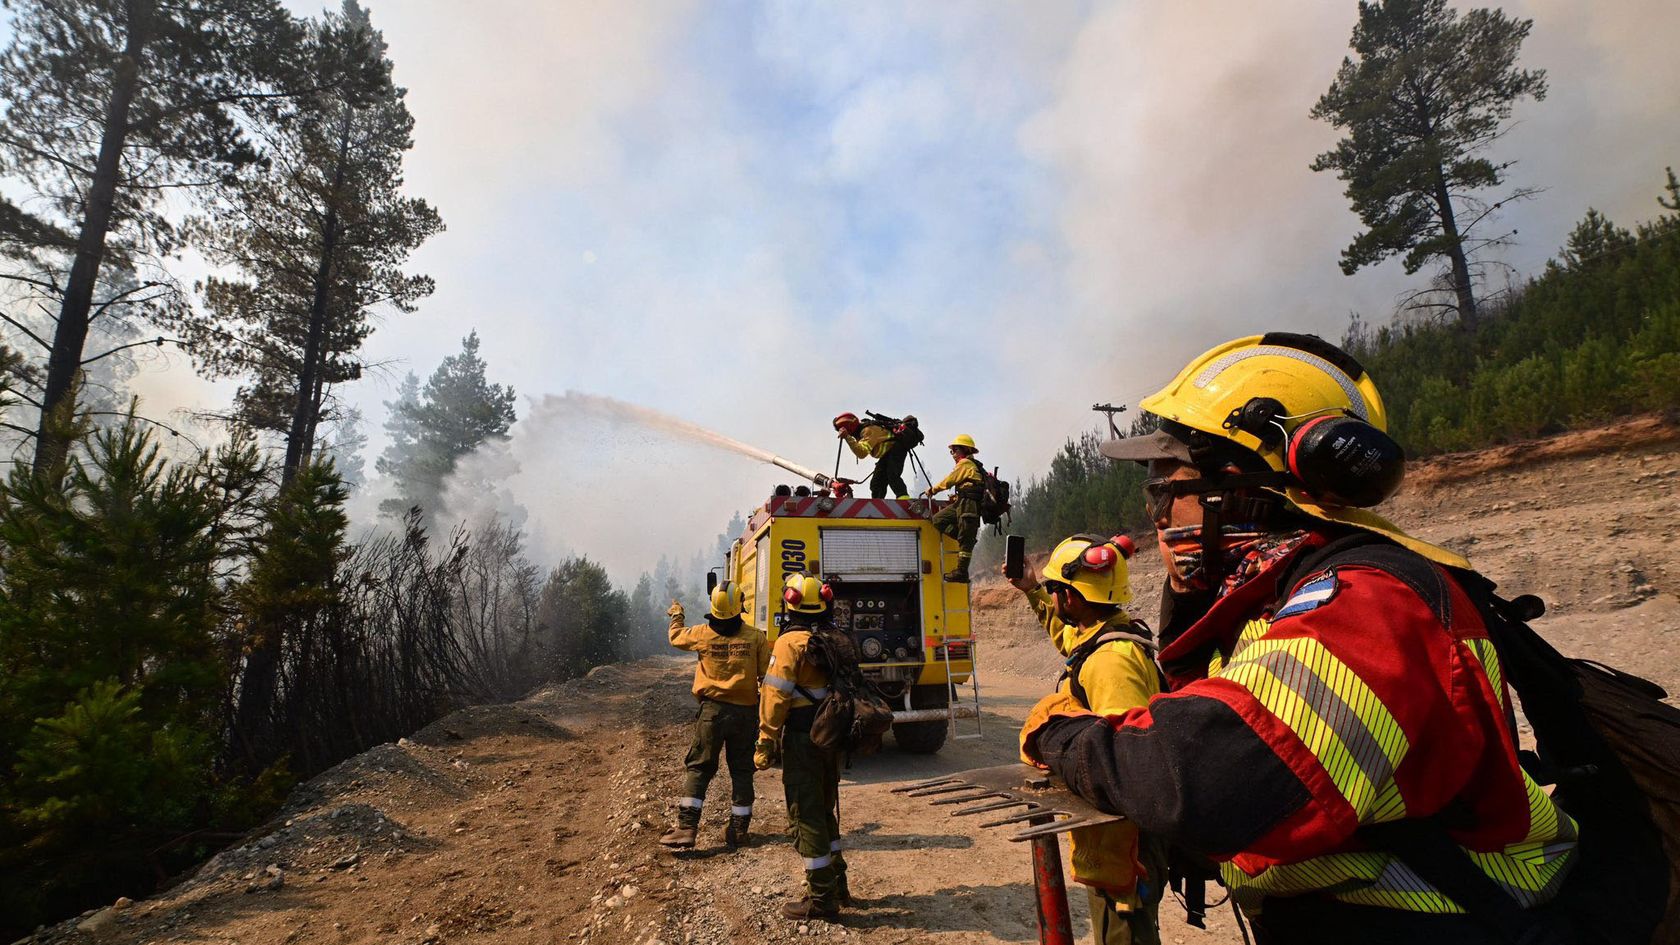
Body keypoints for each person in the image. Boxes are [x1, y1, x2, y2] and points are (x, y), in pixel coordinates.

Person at [1019, 333, 1579, 944]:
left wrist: (1057, 733)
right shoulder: (1284, 597)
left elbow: (1206, 780)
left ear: (1235, 486)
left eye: (1163, 488)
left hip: (1440, 923)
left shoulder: (1367, 600)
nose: (1155, 515)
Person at [1009, 534, 1166, 945]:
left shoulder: (1111, 663)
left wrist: (1118, 868)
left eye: (1055, 590)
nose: (1053, 598)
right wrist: (1032, 592)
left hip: (1124, 849)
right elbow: (1069, 638)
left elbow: (1127, 764)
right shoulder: (1105, 633)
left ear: (1073, 599)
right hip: (1120, 845)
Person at [756, 572, 849, 920]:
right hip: (831, 735)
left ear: (790, 603)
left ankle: (822, 899)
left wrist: (765, 740)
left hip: (802, 737)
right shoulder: (835, 637)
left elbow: (775, 696)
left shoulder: (788, 644)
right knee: (825, 809)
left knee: (806, 813)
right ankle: (838, 884)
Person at [659, 581, 769, 850]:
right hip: (745, 713)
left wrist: (676, 614)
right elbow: (767, 679)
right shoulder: (756, 637)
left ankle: (686, 828)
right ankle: (739, 831)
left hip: (712, 712)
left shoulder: (702, 634)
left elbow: (675, 637)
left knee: (699, 767)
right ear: (739, 606)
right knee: (742, 770)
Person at [923, 434, 984, 582]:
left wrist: (932, 490)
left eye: (954, 450)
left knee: (965, 539)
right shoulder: (967, 466)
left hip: (969, 505)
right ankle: (965, 539)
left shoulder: (965, 464)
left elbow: (948, 481)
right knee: (938, 520)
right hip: (961, 503)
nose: (953, 455)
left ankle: (961, 572)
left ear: (964, 450)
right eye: (952, 451)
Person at [834, 411, 911, 499]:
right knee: (876, 483)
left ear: (849, 428)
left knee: (892, 475)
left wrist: (847, 437)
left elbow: (862, 453)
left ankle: (904, 500)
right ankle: (877, 504)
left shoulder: (868, 430)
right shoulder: (864, 430)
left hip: (896, 449)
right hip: (887, 454)